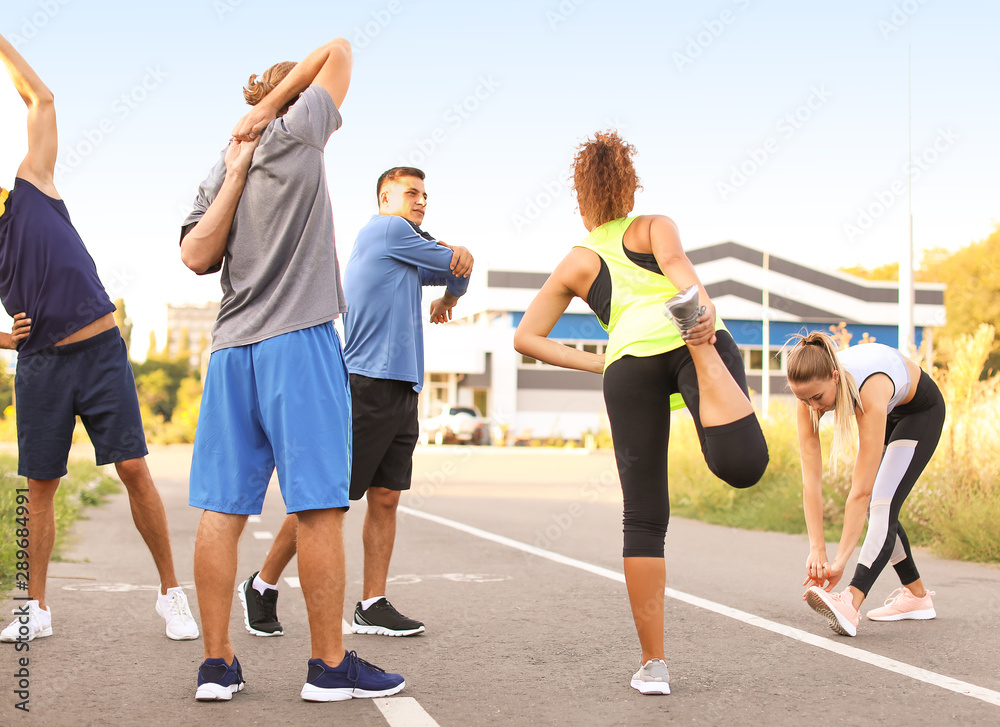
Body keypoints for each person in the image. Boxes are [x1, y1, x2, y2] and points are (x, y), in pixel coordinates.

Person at [181, 38, 407, 703]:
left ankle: (217, 665)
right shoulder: (297, 128)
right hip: (299, 344)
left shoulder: (220, 167)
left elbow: (195, 254)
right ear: (293, 99)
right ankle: (329, 667)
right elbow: (338, 49)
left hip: (230, 353)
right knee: (318, 506)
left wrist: (236, 166)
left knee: (221, 508)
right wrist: (271, 113)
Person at [512, 130, 769, 694]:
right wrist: (698, 313)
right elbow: (675, 262)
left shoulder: (576, 261)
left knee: (644, 519)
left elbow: (526, 338)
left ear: (582, 197)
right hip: (690, 336)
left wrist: (600, 362)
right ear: (629, 187)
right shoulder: (653, 225)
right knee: (743, 467)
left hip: (629, 364)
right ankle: (699, 350)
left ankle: (654, 666)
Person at [0, 33, 198, 645]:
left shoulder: (32, 185)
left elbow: (43, 100)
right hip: (39, 366)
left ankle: (171, 595)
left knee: (134, 469)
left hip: (100, 352)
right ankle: (34, 607)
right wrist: (5, 341)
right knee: (39, 487)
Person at [237, 167, 473, 639]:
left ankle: (372, 603)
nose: (421, 200)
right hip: (366, 383)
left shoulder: (404, 253)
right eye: (411, 193)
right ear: (385, 198)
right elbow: (457, 260)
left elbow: (461, 273)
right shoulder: (386, 230)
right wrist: (456, 254)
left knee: (386, 498)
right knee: (328, 500)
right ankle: (261, 584)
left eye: (425, 194)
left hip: (402, 386)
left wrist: (448, 296)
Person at [787, 332, 943, 637]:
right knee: (879, 510)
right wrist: (817, 549)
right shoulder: (807, 397)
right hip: (891, 409)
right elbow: (811, 481)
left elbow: (860, 493)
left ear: (834, 377)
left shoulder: (869, 390)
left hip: (919, 413)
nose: (812, 407)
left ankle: (850, 601)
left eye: (817, 398)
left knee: (880, 504)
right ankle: (917, 597)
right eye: (803, 399)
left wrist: (840, 561)